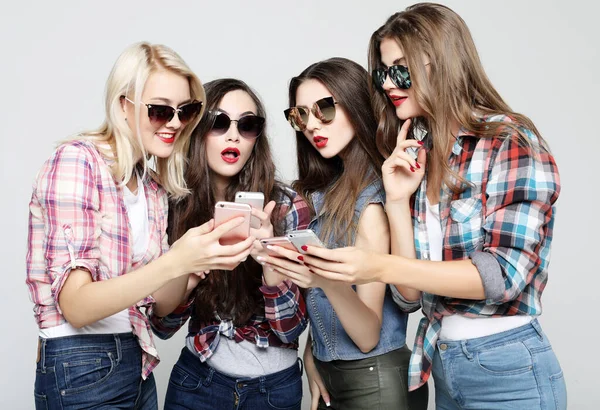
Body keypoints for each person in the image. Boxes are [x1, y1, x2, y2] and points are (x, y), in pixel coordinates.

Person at [299, 3, 567, 409]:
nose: (389, 83)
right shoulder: (420, 154)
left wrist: (378, 266)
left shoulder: (509, 140)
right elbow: (409, 294)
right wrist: (396, 198)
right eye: (383, 72)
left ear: (440, 63)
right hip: (442, 364)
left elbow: (503, 274)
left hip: (509, 365)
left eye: (401, 69)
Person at [26, 43, 254, 409]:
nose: (176, 123)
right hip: (79, 363)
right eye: (160, 110)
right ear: (123, 105)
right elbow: (76, 306)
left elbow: (159, 309)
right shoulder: (77, 162)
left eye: (186, 111)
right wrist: (175, 261)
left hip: (135, 360)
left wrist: (196, 261)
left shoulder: (152, 189)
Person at [264, 58, 428, 410]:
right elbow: (327, 310)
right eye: (300, 115)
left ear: (355, 105)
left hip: (374, 380)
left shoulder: (372, 204)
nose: (311, 125)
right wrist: (313, 353)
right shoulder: (323, 193)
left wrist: (323, 278)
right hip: (332, 374)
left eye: (324, 109)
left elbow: (368, 335)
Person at [150, 78, 310, 410]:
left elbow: (290, 329)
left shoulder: (288, 207)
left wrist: (269, 259)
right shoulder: (174, 207)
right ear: (197, 131)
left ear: (257, 138)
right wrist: (192, 271)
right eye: (218, 123)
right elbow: (162, 326)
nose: (233, 135)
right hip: (198, 381)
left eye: (247, 125)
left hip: (275, 392)